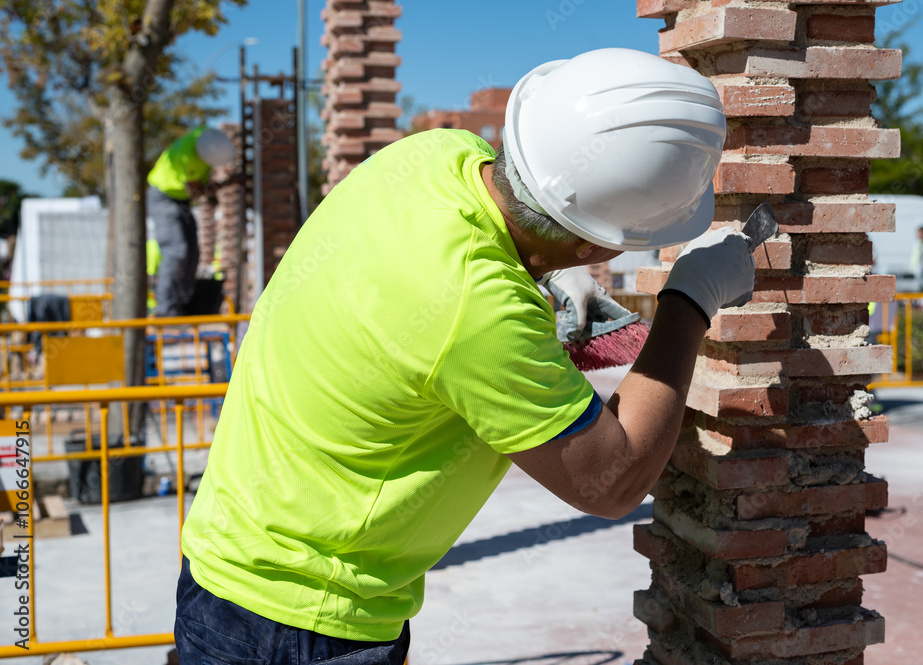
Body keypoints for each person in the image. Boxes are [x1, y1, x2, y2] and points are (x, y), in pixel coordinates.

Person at [174, 48, 756, 664]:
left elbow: (443, 270)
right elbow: (613, 480)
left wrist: (540, 278)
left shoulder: (433, 155)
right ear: (595, 244)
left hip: (228, 560)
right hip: (300, 623)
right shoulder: (476, 310)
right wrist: (689, 302)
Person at [146, 127, 236, 317]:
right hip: (163, 197)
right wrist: (226, 183)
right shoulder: (189, 155)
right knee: (176, 252)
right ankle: (165, 310)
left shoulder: (206, 138)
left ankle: (184, 304)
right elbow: (197, 192)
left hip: (181, 201)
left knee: (193, 254)